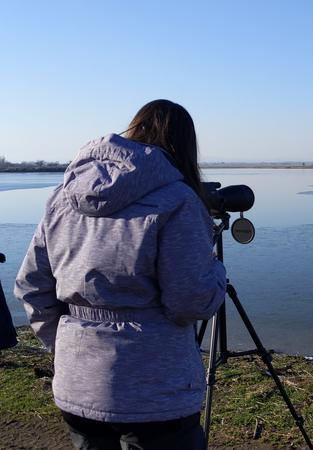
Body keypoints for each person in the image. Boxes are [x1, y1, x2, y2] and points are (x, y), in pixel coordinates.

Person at [15, 99, 227, 449]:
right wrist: (217, 271)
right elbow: (189, 301)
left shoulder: (62, 197)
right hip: (157, 393)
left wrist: (65, 344)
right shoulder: (178, 200)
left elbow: (31, 286)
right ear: (185, 146)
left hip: (78, 385)